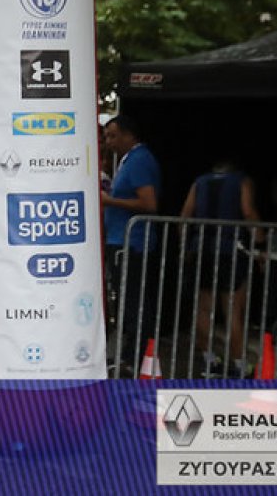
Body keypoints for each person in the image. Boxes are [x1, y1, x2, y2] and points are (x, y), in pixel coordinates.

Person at [180, 156, 260, 377]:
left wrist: (185, 247)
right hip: (229, 250)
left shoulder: (199, 182)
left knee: (203, 308)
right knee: (233, 310)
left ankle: (209, 361)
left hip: (201, 249)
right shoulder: (242, 181)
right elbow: (248, 211)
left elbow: (185, 215)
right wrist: (261, 243)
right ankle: (239, 365)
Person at [100, 114, 161, 375]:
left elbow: (149, 203)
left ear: (128, 135)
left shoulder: (140, 160)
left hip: (132, 244)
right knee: (126, 302)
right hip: (120, 240)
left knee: (135, 303)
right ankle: (128, 355)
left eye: (113, 136)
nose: (109, 142)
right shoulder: (128, 160)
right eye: (106, 137)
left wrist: (109, 201)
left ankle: (136, 358)